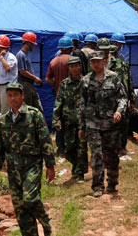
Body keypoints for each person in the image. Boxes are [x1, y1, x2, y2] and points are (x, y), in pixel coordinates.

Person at [0, 83, 55, 236]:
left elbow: (45, 140)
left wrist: (50, 165)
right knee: (20, 209)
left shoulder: (34, 115)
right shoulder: (4, 119)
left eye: (16, 95)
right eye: (10, 95)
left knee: (30, 198)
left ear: (22, 96)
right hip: (13, 169)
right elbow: (0, 146)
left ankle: (46, 222)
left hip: (32, 165)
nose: (13, 98)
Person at [78, 51, 127, 197]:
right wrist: (81, 126)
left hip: (111, 124)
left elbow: (123, 97)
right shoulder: (85, 81)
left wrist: (119, 111)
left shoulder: (114, 78)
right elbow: (81, 104)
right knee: (97, 155)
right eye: (93, 61)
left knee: (111, 155)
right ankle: (97, 186)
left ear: (104, 61)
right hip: (93, 124)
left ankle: (112, 183)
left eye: (98, 61)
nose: (95, 64)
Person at [52, 57, 88, 183]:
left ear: (80, 66)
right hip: (68, 121)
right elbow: (58, 102)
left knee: (81, 148)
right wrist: (56, 119)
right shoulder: (64, 84)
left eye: (76, 66)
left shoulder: (87, 82)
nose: (74, 68)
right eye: (71, 66)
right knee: (68, 149)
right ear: (69, 68)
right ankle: (77, 167)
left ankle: (80, 173)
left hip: (82, 122)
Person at [46, 36, 73, 156]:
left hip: (58, 95)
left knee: (59, 122)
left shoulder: (53, 61)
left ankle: (60, 148)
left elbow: (47, 79)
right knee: (71, 122)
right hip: (72, 96)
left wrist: (57, 84)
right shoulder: (72, 60)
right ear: (70, 48)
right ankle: (69, 147)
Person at [16, 32, 43, 112]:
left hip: (29, 85)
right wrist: (35, 78)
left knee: (37, 109)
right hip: (25, 85)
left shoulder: (25, 55)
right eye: (32, 44)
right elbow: (22, 71)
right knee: (27, 109)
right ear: (28, 43)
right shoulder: (20, 55)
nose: (34, 46)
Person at [0, 35, 18, 114]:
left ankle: (6, 126)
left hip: (7, 87)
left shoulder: (11, 57)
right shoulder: (0, 58)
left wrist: (1, 57)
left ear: (3, 48)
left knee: (5, 112)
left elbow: (7, 68)